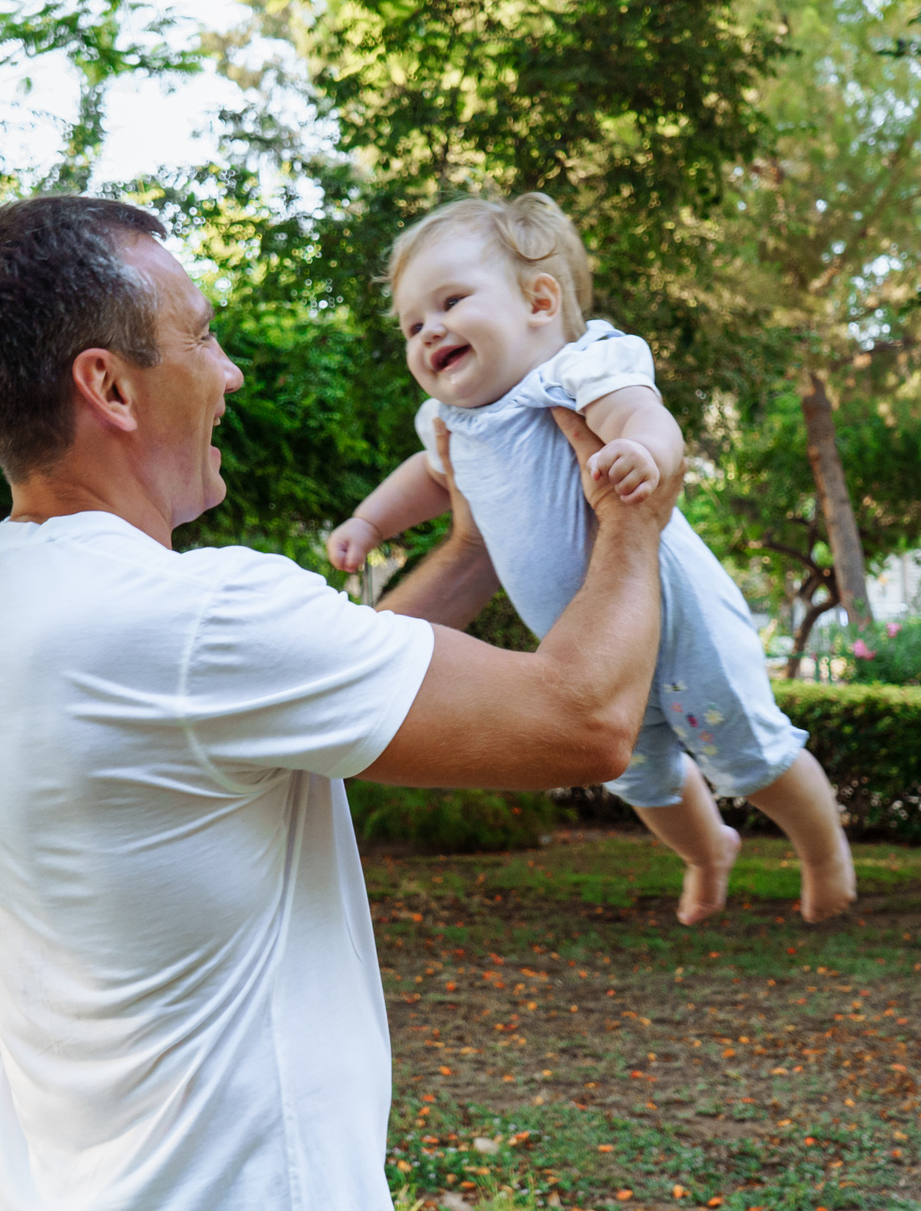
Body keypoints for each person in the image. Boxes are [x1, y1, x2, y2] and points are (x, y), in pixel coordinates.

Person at [0, 195, 678, 1211]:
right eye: (202, 337)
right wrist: (634, 514)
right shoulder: (193, 620)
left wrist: (490, 540)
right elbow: (584, 716)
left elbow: (367, 669)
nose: (229, 371)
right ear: (109, 385)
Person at [326, 192, 857, 927]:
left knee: (753, 753)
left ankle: (823, 849)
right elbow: (427, 477)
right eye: (412, 324)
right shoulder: (450, 424)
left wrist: (643, 450)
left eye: (450, 301)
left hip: (681, 619)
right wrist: (369, 520)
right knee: (640, 779)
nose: (429, 331)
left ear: (540, 300)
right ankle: (708, 854)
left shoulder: (578, 368)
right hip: (590, 642)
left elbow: (642, 414)